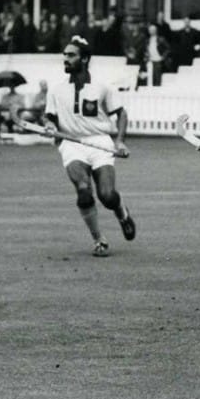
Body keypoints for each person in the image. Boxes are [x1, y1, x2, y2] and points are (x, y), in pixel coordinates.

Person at [44, 35, 135, 256]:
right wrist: (48, 125)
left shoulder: (102, 87)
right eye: (64, 55)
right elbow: (49, 118)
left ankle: (122, 212)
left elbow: (121, 114)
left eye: (71, 55)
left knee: (107, 195)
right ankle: (99, 240)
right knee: (84, 192)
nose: (65, 59)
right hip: (71, 143)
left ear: (84, 59)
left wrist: (120, 140)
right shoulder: (55, 90)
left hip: (99, 141)